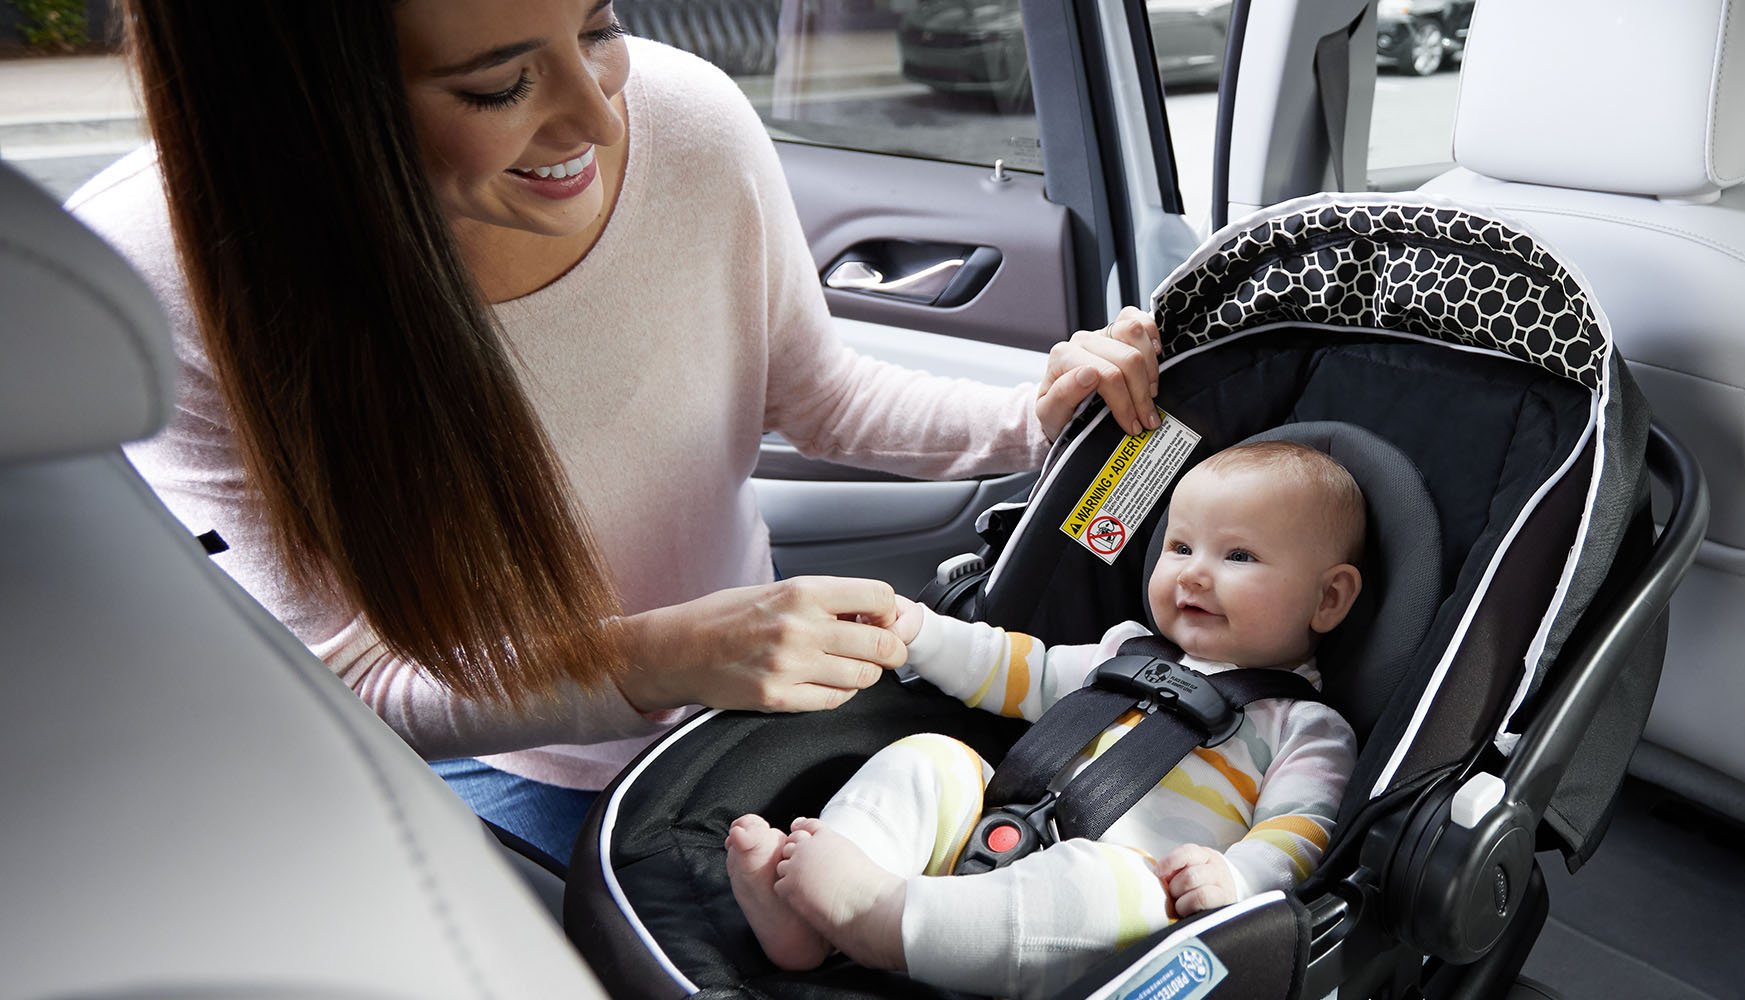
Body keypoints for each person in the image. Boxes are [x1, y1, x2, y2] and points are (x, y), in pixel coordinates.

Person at [68, 0, 1161, 863]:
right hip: (496, 770)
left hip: (738, 717)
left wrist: (1036, 416)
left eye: (597, 26)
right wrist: (666, 652)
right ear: (308, 108)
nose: (598, 117)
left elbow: (818, 394)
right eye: (500, 84)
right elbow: (353, 683)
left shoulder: (688, 118)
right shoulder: (166, 276)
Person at [723, 441, 1367, 998]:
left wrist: (1237, 878)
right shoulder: (1122, 652)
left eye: (1240, 557)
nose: (1194, 572)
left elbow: (1299, 832)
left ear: (1329, 598)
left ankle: (880, 918)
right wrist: (920, 631)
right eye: (1180, 545)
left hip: (1125, 919)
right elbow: (1011, 667)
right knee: (931, 758)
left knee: (1108, 884)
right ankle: (813, 915)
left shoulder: (1304, 725)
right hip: (1000, 839)